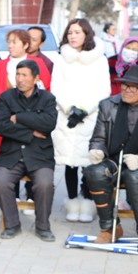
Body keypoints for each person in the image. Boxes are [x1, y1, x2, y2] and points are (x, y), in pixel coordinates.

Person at [51, 18, 110, 222]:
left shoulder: (99, 59)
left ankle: (87, 203)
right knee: (69, 163)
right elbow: (55, 88)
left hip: (90, 117)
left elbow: (104, 90)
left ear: (86, 34)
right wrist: (70, 109)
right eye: (69, 32)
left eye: (77, 32)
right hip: (66, 116)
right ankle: (71, 203)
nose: (72, 36)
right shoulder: (61, 59)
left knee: (89, 162)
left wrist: (83, 110)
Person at [0, 60, 58, 241]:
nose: (19, 79)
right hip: (12, 154)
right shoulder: (6, 98)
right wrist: (31, 132)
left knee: (44, 185)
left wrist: (19, 117)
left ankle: (43, 226)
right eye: (17, 74)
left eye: (24, 75)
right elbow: (1, 127)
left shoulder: (47, 99)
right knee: (0, 182)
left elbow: (49, 123)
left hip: (39, 154)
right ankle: (12, 224)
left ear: (36, 78)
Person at [0, 29, 52, 205]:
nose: (10, 45)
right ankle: (12, 196)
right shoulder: (1, 65)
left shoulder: (37, 62)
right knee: (9, 158)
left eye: (15, 42)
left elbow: (46, 88)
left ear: (25, 45)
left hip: (32, 121)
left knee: (31, 156)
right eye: (8, 41)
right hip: (7, 122)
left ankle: (31, 197)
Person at [84, 64, 138, 243]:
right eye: (124, 85)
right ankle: (110, 227)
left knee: (134, 176)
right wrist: (96, 150)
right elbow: (98, 137)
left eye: (132, 86)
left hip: (136, 163)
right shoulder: (108, 105)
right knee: (94, 171)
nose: (126, 90)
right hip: (115, 158)